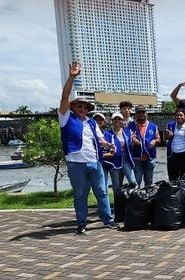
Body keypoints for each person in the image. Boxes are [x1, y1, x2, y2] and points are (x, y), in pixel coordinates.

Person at [58, 61, 117, 235]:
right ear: (73, 107)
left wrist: (108, 144)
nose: (82, 109)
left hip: (94, 161)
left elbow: (100, 139)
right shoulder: (66, 118)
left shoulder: (91, 122)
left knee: (102, 193)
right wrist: (72, 77)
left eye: (85, 107)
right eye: (79, 106)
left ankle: (107, 220)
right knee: (80, 195)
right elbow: (64, 97)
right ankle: (81, 223)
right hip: (76, 163)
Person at [102, 112, 136, 220]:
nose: (117, 121)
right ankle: (118, 211)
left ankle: (135, 208)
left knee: (133, 182)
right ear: (112, 121)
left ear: (122, 121)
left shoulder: (127, 132)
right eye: (115, 119)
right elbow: (104, 146)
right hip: (114, 162)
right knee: (117, 187)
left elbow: (131, 147)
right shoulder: (107, 134)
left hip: (126, 159)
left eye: (119, 119)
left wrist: (133, 141)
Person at [128, 105, 160, 187]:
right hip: (136, 158)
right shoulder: (131, 126)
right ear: (136, 114)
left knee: (149, 181)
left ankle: (147, 198)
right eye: (139, 112)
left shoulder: (153, 126)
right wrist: (132, 140)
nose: (141, 114)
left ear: (146, 114)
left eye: (143, 112)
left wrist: (155, 140)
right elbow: (127, 140)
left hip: (149, 158)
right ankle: (136, 199)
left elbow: (159, 139)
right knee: (136, 181)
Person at [165, 109, 185, 182]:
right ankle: (173, 192)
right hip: (172, 154)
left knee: (184, 177)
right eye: (177, 115)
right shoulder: (170, 125)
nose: (179, 117)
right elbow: (165, 138)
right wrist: (168, 136)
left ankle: (183, 192)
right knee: (172, 176)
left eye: (181, 115)